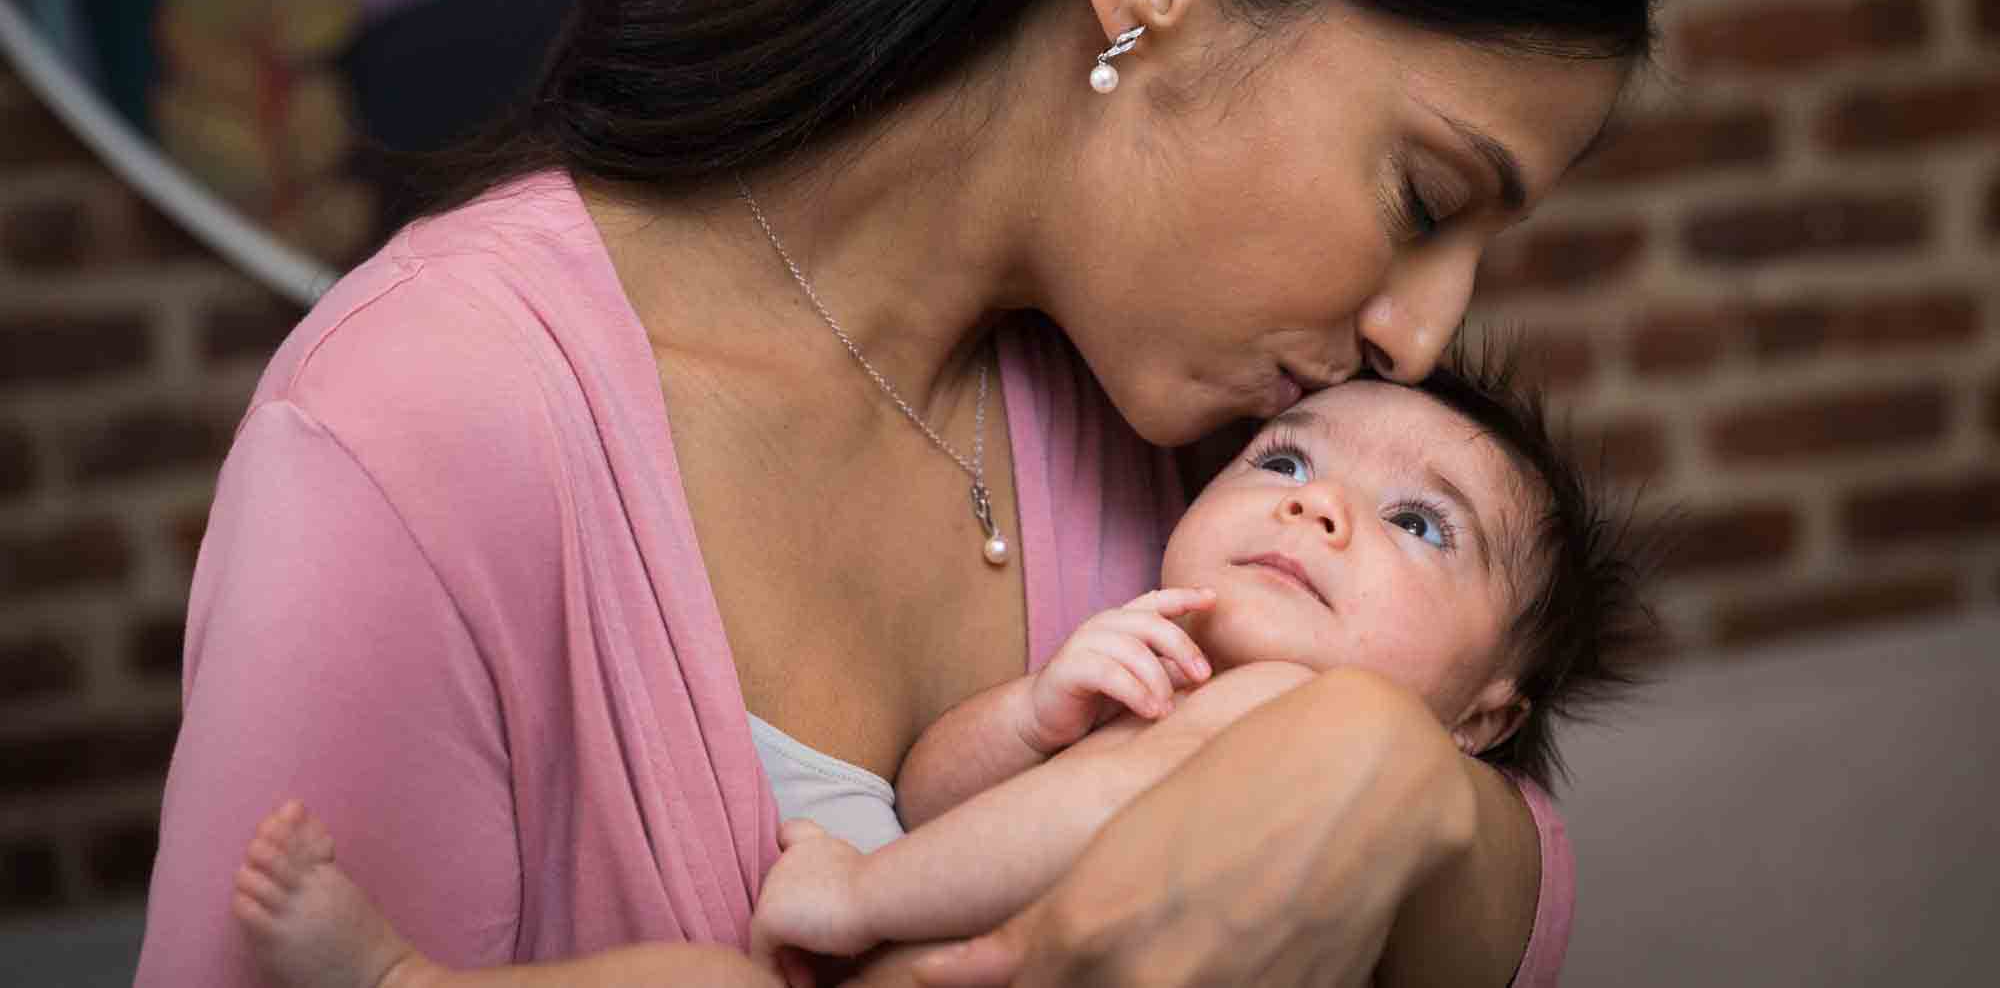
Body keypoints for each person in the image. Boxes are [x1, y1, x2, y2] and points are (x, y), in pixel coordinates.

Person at [136, 0, 1657, 984]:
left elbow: (1502, 869)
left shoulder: (1234, 451)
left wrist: (1390, 774)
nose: (1420, 334)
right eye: (1424, 198)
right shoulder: (417, 429)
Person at [225, 359, 1654, 988]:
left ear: (1485, 713)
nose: (1317, 503)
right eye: (1284, 457)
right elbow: (933, 793)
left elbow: (1062, 827)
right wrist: (1034, 714)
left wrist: (857, 895)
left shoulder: (1320, 728)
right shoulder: (1146, 666)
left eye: (1419, 524)